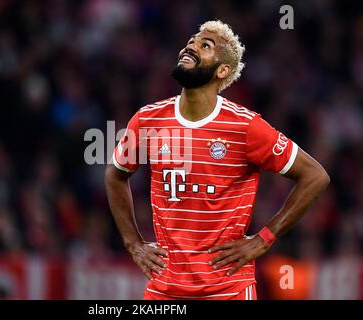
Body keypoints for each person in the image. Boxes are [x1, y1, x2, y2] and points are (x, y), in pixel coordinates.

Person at [104, 20, 329, 300]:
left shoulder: (246, 127)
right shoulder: (148, 120)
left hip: (228, 290)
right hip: (165, 289)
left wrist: (263, 240)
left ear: (222, 70)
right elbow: (115, 174)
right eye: (191, 41)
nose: (191, 46)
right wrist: (133, 243)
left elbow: (315, 176)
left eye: (205, 45)